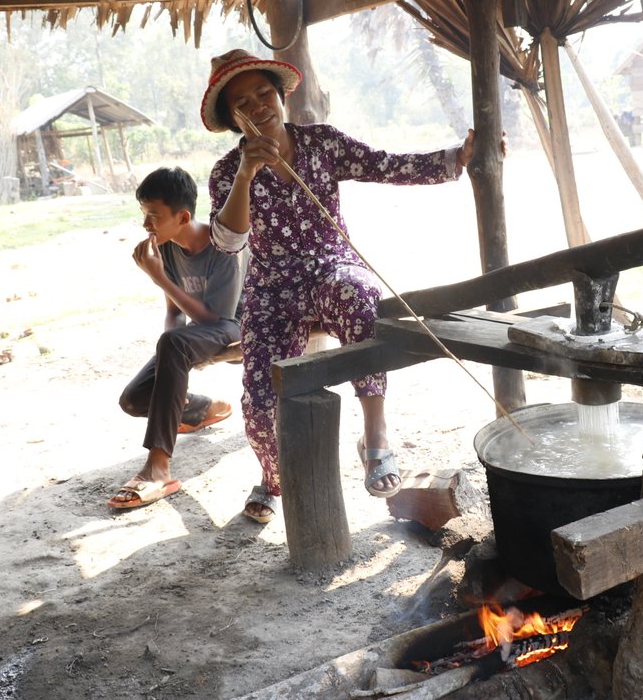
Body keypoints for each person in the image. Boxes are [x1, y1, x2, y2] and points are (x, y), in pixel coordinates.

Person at [202, 49, 494, 524]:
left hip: (330, 267)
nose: (258, 107)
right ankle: (274, 480)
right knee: (258, 402)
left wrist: (455, 158)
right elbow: (229, 243)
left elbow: (385, 164)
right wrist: (246, 172)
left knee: (360, 300)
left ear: (279, 97)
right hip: (272, 285)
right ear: (232, 118)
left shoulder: (321, 143)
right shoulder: (226, 172)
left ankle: (375, 437)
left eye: (263, 94)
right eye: (243, 103)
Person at [109, 167, 244, 510]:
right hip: (199, 334)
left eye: (153, 216)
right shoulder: (167, 249)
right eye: (144, 215)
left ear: (183, 216)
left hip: (237, 326)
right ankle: (203, 408)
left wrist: (159, 279)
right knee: (134, 399)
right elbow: (175, 315)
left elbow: (215, 318)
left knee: (175, 344)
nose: (146, 225)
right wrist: (171, 358)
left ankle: (158, 468)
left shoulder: (223, 248)